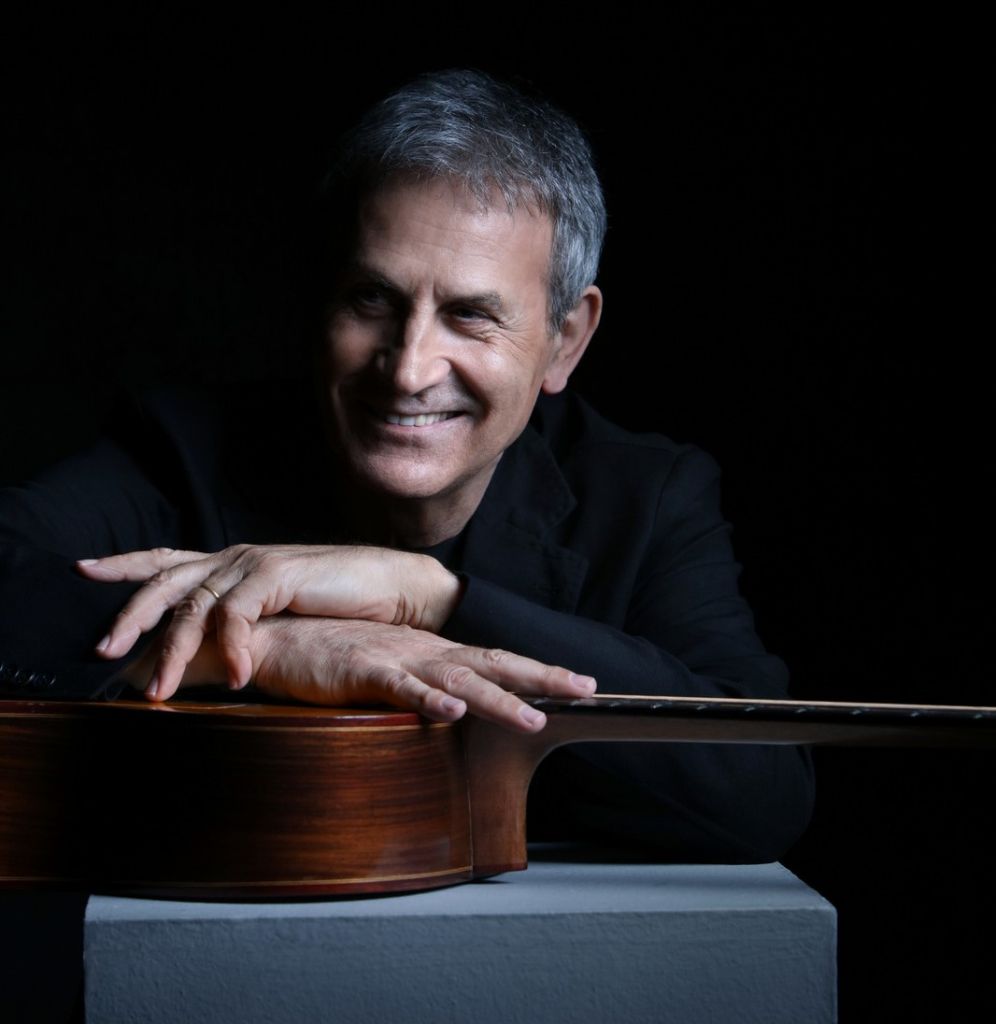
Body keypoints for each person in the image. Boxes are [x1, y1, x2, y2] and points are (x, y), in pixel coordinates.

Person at [0, 69, 813, 860]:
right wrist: (265, 646)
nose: (409, 368)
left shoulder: (650, 497)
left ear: (566, 339)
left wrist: (433, 599)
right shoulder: (182, 448)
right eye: (372, 300)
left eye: (470, 315)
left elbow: (764, 789)